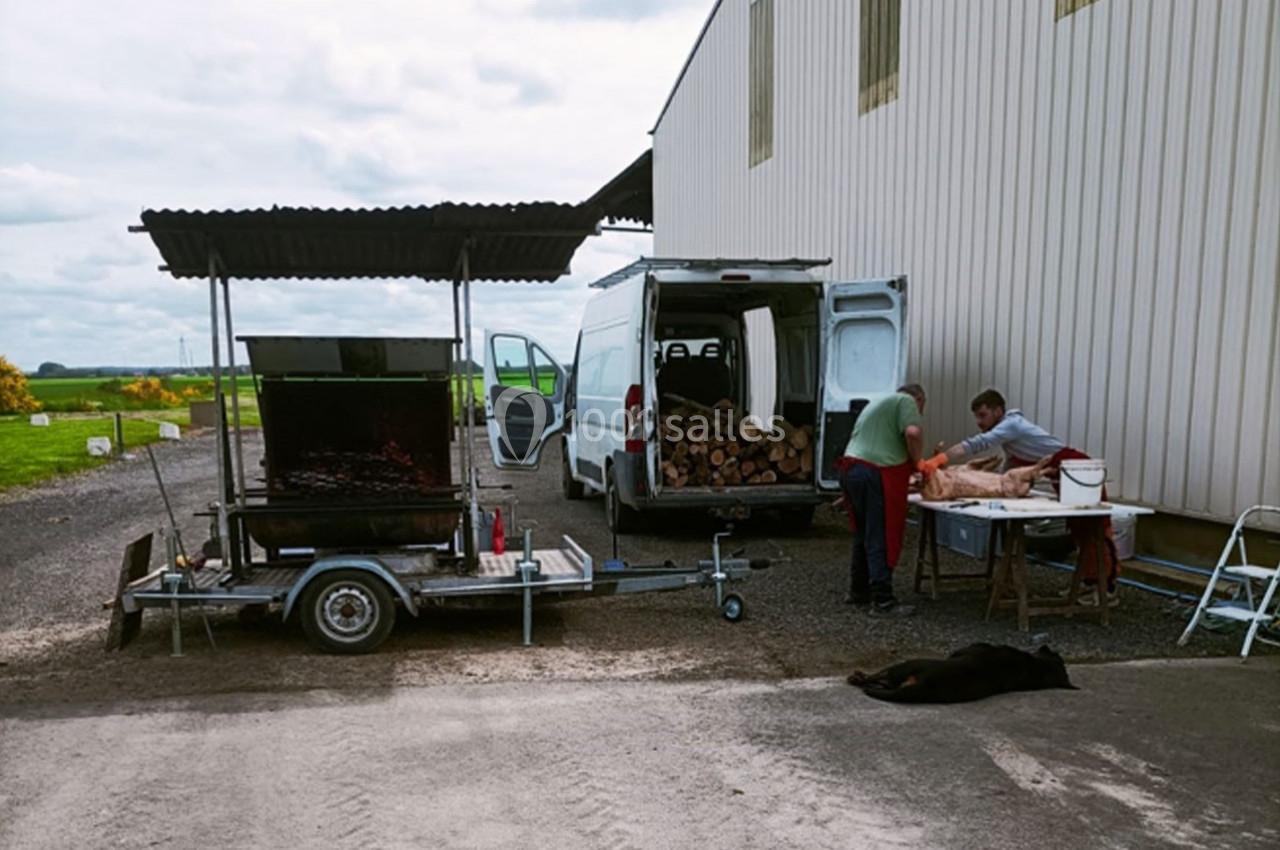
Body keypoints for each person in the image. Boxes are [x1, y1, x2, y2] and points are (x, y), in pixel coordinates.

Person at [917, 389, 1119, 606]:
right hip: (1059, 472)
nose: (979, 422)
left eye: (983, 415)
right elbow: (1010, 468)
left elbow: (978, 443)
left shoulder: (1011, 425)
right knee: (1079, 529)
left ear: (998, 411)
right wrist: (991, 484)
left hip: (1078, 469)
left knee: (1095, 528)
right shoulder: (1010, 437)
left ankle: (1107, 589)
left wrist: (938, 459)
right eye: (976, 416)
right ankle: (1088, 583)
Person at [837, 383, 926, 616]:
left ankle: (858, 591)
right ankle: (883, 601)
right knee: (880, 534)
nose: (919, 415)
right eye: (921, 409)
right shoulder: (906, 401)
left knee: (863, 533)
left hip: (851, 470)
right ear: (918, 399)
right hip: (873, 473)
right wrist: (918, 464)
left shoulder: (877, 402)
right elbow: (913, 433)